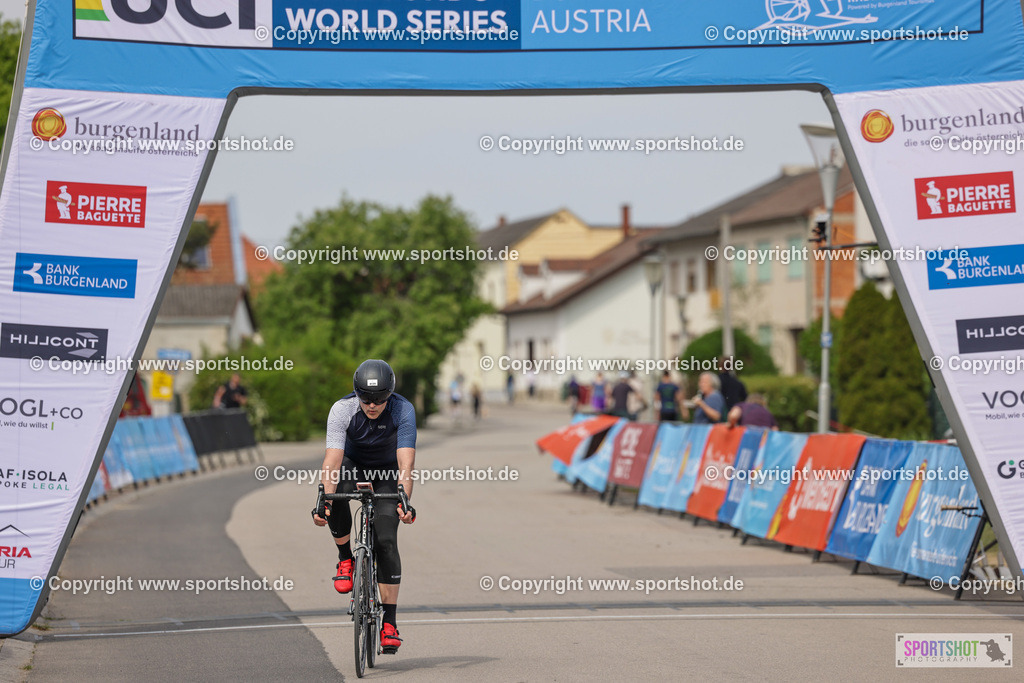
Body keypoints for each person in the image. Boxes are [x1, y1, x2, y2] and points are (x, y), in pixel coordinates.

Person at [312, 359, 417, 654]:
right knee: (337, 493)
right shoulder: (342, 409)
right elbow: (332, 461)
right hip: (353, 466)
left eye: (380, 399)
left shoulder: (403, 409)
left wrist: (405, 500)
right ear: (356, 393)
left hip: (386, 473)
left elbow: (405, 463)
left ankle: (390, 623)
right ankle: (345, 558)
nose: (372, 405)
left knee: (385, 539)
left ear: (390, 395)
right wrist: (323, 500)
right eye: (366, 399)